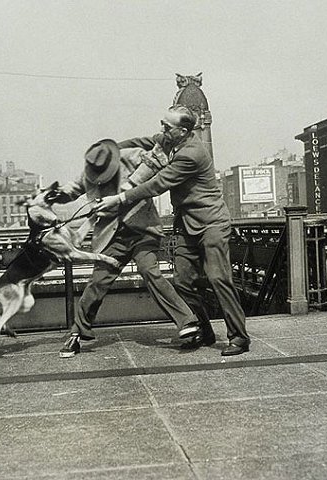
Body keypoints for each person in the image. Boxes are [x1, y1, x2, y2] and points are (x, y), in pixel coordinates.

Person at [96, 105, 250, 356]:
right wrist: (111, 149)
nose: (162, 130)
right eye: (162, 124)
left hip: (211, 223)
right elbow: (141, 141)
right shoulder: (170, 139)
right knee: (182, 282)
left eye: (167, 126)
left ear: (183, 130)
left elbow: (157, 184)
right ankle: (204, 331)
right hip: (186, 224)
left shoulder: (191, 154)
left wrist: (120, 199)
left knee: (218, 279)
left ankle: (239, 337)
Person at [52, 138, 202, 357]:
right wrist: (49, 196)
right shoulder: (90, 173)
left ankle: (188, 323)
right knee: (97, 282)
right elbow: (72, 189)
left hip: (142, 231)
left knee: (149, 270)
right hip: (112, 238)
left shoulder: (132, 156)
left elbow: (156, 161)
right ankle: (77, 333)